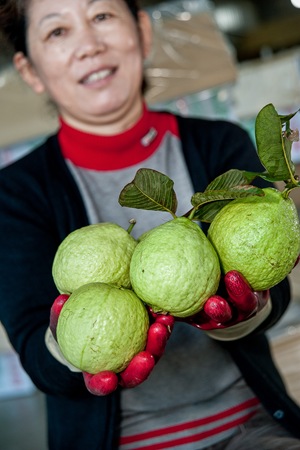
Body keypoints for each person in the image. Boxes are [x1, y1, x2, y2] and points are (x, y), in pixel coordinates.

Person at [0, 1, 300, 449]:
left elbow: (272, 291)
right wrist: (69, 348)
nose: (88, 45)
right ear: (29, 69)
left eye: (101, 16)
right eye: (57, 32)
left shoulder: (219, 145)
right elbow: (34, 352)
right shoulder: (15, 194)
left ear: (141, 30)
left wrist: (242, 315)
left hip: (253, 429)